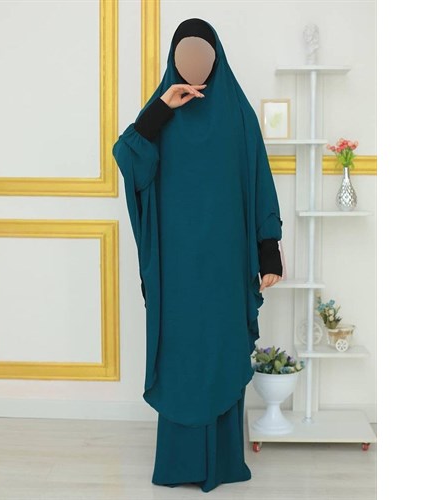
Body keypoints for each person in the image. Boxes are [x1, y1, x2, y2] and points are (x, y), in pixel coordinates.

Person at [112, 17, 283, 492]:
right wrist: (160, 110)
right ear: (172, 60)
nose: (195, 66)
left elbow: (259, 182)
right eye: (184, 57)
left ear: (217, 58)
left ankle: (224, 463)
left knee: (220, 349)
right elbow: (127, 158)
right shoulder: (160, 114)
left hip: (226, 264)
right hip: (177, 266)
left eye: (203, 56)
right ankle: (179, 463)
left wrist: (268, 251)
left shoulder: (238, 115)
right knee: (181, 354)